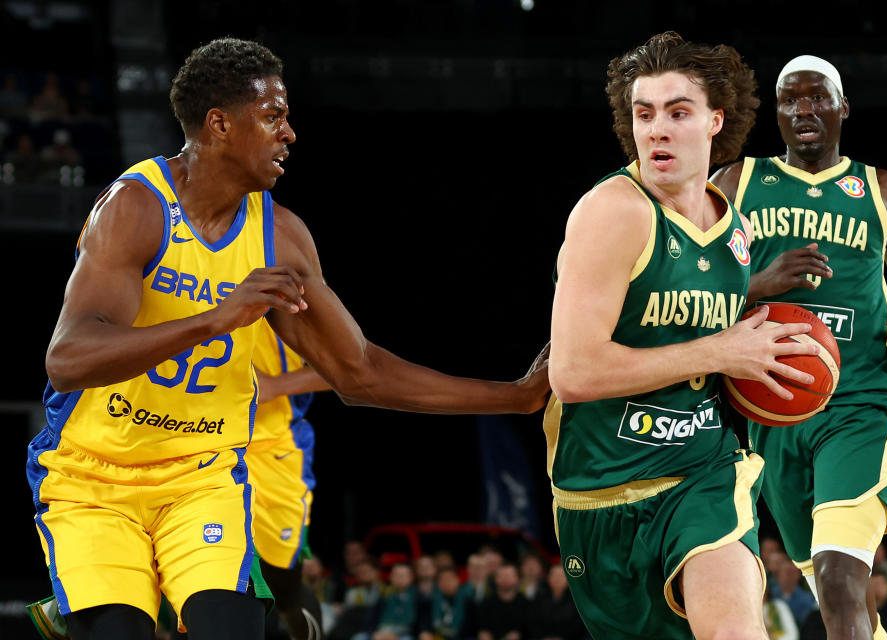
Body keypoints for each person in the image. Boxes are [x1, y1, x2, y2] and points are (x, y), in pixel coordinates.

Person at [28, 37, 550, 640]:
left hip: (203, 476)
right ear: (219, 124)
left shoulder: (283, 237)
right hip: (96, 477)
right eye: (273, 116)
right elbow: (68, 360)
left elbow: (359, 373)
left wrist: (515, 396)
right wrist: (215, 319)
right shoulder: (136, 208)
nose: (290, 133)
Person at [545, 31, 818, 639]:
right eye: (644, 114)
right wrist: (721, 350)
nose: (657, 129)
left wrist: (762, 359)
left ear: (715, 121)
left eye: (678, 112)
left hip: (705, 473)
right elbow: (575, 373)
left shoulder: (734, 228)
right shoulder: (612, 213)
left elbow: (699, 328)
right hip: (601, 490)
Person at [711, 54, 887, 640]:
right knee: (833, 592)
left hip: (861, 401)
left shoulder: (886, 191)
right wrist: (757, 285)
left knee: (841, 581)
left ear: (843, 108)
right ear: (778, 113)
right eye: (791, 99)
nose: (804, 109)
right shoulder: (737, 183)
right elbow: (691, 288)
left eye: (818, 98)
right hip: (773, 407)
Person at [249, 323, 332, 640]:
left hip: (274, 451)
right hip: (203, 443)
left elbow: (352, 366)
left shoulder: (288, 285)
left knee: (281, 587)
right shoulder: (170, 279)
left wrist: (275, 385)